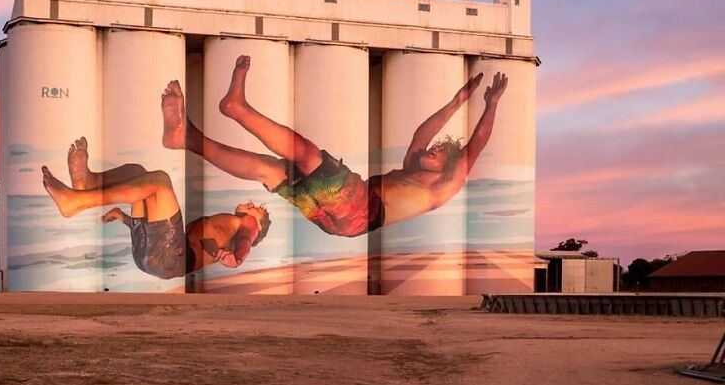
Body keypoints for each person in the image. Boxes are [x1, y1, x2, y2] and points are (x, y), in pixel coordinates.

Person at [161, 56, 507, 238]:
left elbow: (476, 143)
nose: (430, 150)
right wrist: (456, 101)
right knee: (271, 170)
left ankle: (237, 108)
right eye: (434, 149)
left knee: (310, 155)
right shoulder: (411, 171)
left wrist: (490, 105)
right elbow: (421, 133)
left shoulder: (446, 185)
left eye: (438, 153)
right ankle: (188, 139)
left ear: (449, 165)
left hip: (358, 210)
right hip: (339, 221)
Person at [41, 136, 271, 280]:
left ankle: (77, 202)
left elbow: (246, 243)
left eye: (257, 209)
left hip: (170, 257)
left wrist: (237, 259)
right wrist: (124, 218)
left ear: (258, 226)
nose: (252, 205)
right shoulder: (229, 226)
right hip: (152, 255)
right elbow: (158, 232)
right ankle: (87, 183)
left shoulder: (248, 227)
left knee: (160, 181)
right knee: (138, 174)